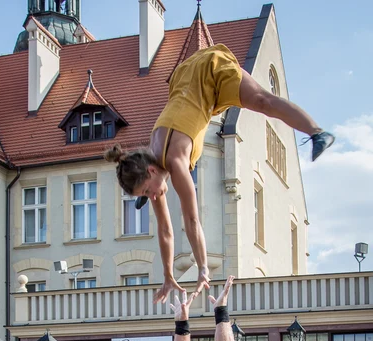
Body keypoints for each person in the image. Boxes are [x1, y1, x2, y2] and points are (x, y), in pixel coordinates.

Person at [105, 47, 334, 303]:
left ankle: (317, 132)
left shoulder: (175, 162)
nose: (154, 195)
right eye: (146, 194)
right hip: (186, 81)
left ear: (151, 170)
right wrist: (168, 275)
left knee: (261, 101)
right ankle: (144, 193)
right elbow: (165, 230)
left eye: (147, 190)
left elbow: (191, 221)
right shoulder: (152, 159)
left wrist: (203, 267)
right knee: (161, 192)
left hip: (210, 71)